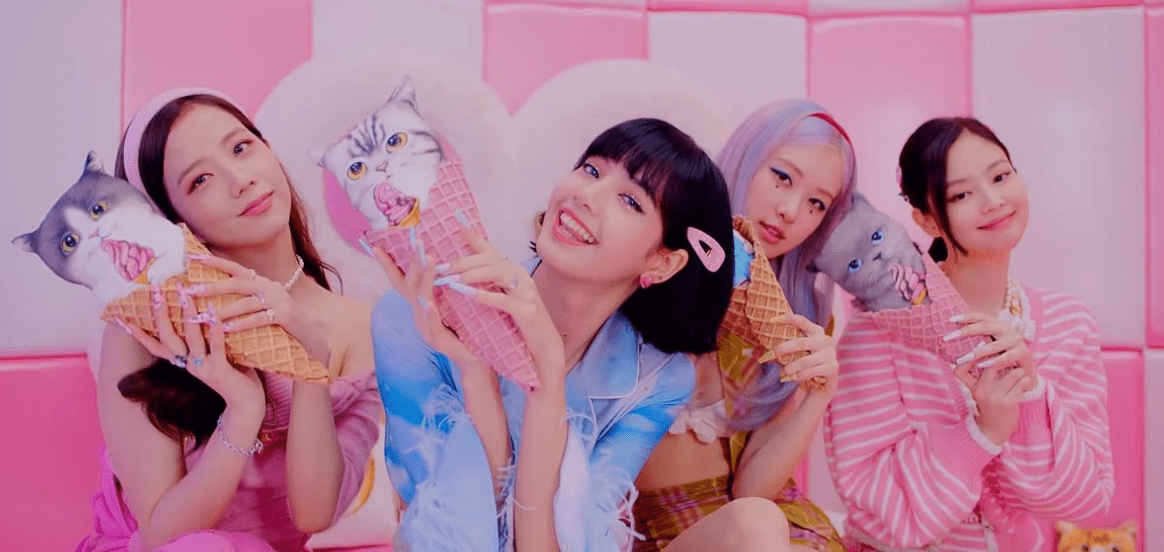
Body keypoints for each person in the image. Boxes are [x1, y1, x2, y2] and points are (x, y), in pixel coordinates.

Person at [370, 118, 735, 552]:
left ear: (662, 263)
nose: (586, 195)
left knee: (756, 522)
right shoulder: (410, 316)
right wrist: (476, 373)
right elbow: (453, 533)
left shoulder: (659, 380)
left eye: (630, 200)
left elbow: (565, 543)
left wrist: (547, 382)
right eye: (591, 170)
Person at [78, 88, 382, 552]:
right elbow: (164, 534)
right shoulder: (144, 331)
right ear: (171, 222)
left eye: (242, 147)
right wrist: (243, 412)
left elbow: (314, 514)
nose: (240, 180)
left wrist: (310, 366)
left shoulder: (363, 329)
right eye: (200, 180)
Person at [825, 117, 1114, 551]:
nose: (993, 201)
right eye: (961, 194)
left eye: (1000, 176)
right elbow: (879, 511)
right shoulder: (876, 331)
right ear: (926, 220)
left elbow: (1084, 499)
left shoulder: (1069, 323)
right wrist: (981, 433)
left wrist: (1029, 397)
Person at [631, 100, 853, 552]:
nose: (791, 210)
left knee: (757, 522)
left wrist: (817, 395)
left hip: (774, 529)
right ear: (744, 158)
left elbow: (753, 491)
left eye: (817, 203)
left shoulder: (800, 317)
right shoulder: (650, 262)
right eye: (783, 176)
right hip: (661, 534)